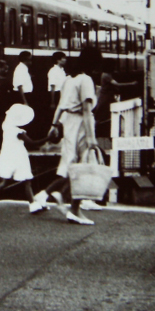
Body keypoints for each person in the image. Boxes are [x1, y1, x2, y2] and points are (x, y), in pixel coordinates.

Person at [34, 46, 101, 225]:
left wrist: (54, 125)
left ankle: (47, 194)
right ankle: (74, 210)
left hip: (68, 122)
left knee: (70, 164)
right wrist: (91, 138)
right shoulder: (86, 80)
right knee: (82, 167)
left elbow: (61, 106)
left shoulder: (69, 79)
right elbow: (87, 110)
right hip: (81, 124)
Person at [0, 104, 50, 214]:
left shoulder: (6, 126)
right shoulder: (19, 132)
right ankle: (33, 204)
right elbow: (32, 143)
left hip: (7, 155)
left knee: (3, 181)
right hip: (18, 157)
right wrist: (48, 138)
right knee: (27, 181)